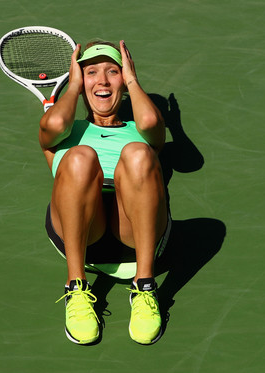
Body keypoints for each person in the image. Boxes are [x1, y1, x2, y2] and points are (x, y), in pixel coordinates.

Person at [40, 40, 170, 345]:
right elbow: (57, 120)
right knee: (79, 156)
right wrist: (71, 87)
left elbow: (151, 120)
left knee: (138, 152)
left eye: (113, 71)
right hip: (83, 234)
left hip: (135, 233)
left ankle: (146, 285)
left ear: (124, 82)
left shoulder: (141, 131)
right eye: (91, 72)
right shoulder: (63, 133)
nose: (102, 80)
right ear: (79, 80)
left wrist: (133, 79)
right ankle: (76, 288)